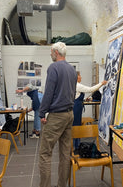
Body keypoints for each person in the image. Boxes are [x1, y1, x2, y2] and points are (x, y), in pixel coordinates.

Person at [38, 42, 77, 187]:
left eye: (51, 52)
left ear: (56, 52)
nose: (50, 54)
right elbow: (72, 93)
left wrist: (42, 112)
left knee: (45, 153)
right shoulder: (72, 69)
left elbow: (49, 92)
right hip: (69, 114)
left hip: (56, 116)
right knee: (65, 153)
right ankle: (62, 185)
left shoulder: (53, 67)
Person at [73, 71, 107, 149]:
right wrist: (101, 83)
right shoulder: (77, 85)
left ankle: (76, 145)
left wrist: (85, 99)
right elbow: (91, 89)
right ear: (76, 77)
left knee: (76, 125)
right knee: (76, 126)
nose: (81, 77)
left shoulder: (74, 85)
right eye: (79, 75)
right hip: (76, 108)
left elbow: (76, 96)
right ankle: (75, 146)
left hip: (77, 107)